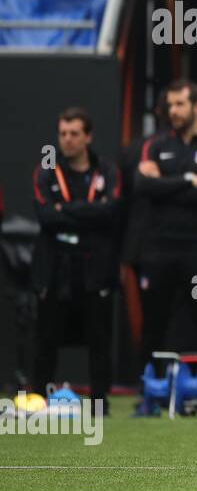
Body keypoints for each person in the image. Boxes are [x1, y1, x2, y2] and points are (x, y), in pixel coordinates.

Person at [134, 80, 197, 376]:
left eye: (180, 104)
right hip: (159, 250)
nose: (173, 111)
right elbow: (142, 186)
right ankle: (150, 393)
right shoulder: (156, 144)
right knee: (154, 323)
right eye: (170, 105)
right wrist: (189, 180)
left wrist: (164, 184)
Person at [31, 108, 121, 407]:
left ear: (88, 137)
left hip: (95, 267)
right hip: (56, 267)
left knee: (98, 336)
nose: (67, 140)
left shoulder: (106, 170)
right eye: (63, 134)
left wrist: (65, 210)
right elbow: (46, 216)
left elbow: (110, 212)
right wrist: (87, 213)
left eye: (74, 134)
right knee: (46, 337)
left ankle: (99, 400)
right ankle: (36, 399)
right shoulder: (47, 170)